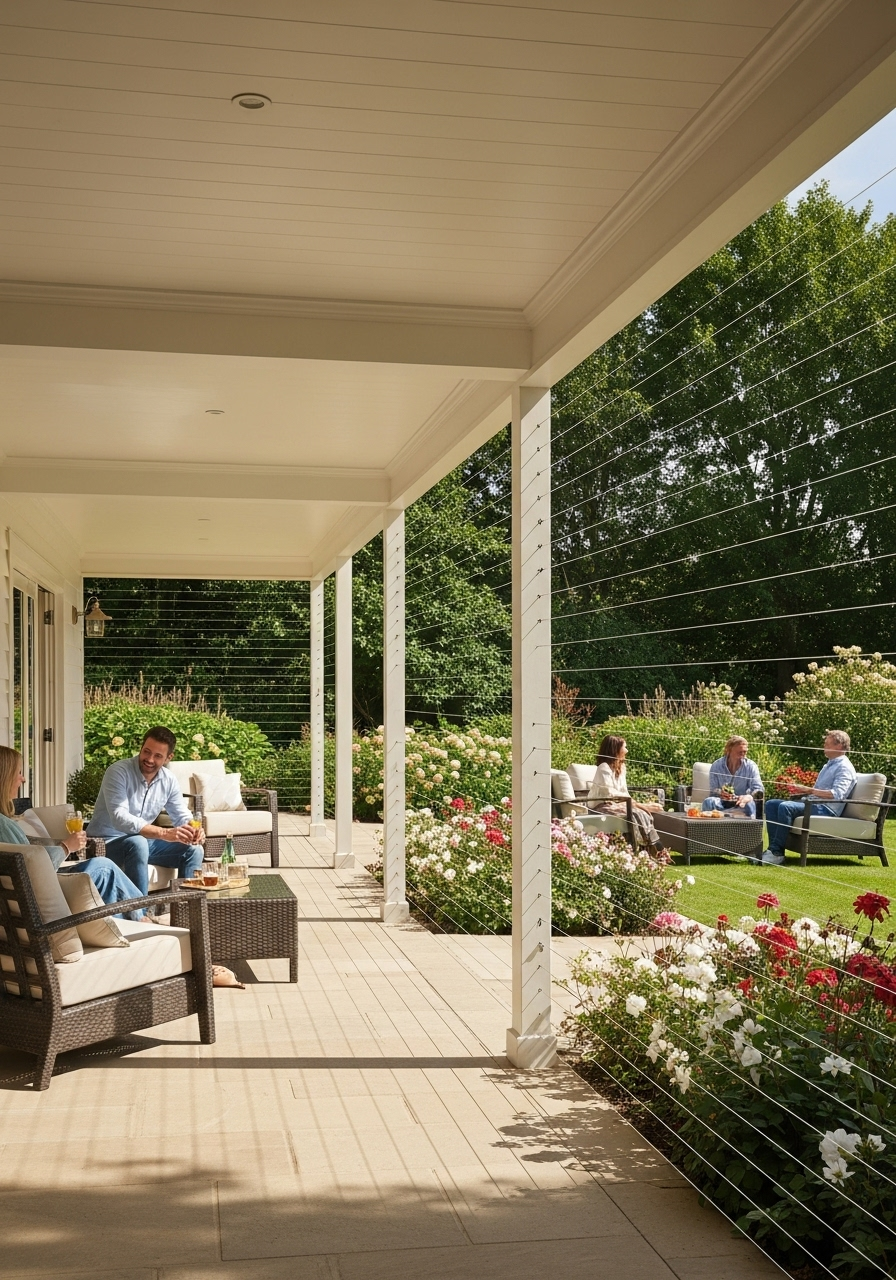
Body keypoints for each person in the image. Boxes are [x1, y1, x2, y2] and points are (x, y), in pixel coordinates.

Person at [0, 744, 148, 917]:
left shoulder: (5, 824)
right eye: (18, 773)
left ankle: (125, 922)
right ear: (4, 777)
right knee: (103, 867)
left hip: (23, 897)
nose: (23, 779)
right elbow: (31, 866)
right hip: (41, 896)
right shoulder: (3, 825)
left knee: (107, 885)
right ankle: (142, 916)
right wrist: (65, 847)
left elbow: (28, 855)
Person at [88, 726, 204, 895]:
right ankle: (140, 915)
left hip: (141, 844)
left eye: (158, 756)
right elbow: (119, 817)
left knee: (194, 849)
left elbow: (181, 815)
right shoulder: (118, 772)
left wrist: (192, 830)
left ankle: (185, 910)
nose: (149, 759)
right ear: (141, 748)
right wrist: (164, 833)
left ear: (168, 758)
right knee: (138, 842)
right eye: (147, 752)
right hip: (106, 844)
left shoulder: (169, 780)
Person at [762, 729, 857, 866]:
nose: (824, 746)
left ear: (839, 746)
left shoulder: (844, 767)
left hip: (826, 808)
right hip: (814, 804)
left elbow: (837, 794)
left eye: (827, 744)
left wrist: (809, 790)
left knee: (786, 807)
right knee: (772, 804)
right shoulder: (830, 764)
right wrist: (805, 792)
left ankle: (776, 853)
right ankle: (773, 851)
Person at [587, 734, 665, 854]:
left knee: (642, 813)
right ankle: (646, 848)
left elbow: (624, 791)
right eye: (624, 747)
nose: (627, 750)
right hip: (601, 806)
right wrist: (637, 804)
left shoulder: (622, 767)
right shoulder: (604, 768)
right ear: (615, 749)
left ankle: (650, 846)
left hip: (618, 803)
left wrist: (639, 805)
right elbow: (609, 792)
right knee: (635, 814)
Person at [701, 735, 763, 819]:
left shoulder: (751, 766)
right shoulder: (717, 765)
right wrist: (721, 793)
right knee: (708, 802)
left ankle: (751, 831)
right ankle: (709, 830)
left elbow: (758, 789)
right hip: (722, 802)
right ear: (729, 751)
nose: (743, 755)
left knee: (749, 804)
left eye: (745, 752)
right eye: (739, 752)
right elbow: (713, 789)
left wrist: (748, 797)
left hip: (741, 802)